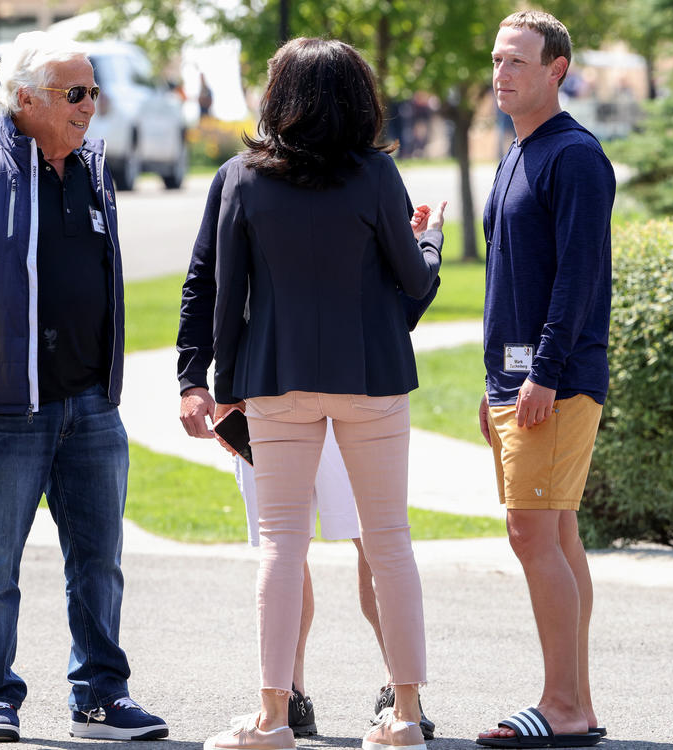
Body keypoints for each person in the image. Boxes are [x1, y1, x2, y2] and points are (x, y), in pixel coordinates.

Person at [0, 30, 167, 744]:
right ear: (25, 98)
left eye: (94, 91)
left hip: (90, 404)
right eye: (76, 93)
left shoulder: (94, 168)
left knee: (98, 565)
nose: (92, 106)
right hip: (5, 405)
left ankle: (99, 697)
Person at [203, 38, 444, 750]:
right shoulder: (376, 176)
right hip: (369, 376)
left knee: (280, 545)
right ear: (359, 98)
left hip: (275, 379)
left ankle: (273, 718)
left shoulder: (244, 177)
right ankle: (404, 716)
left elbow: (226, 296)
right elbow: (413, 280)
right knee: (390, 541)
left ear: (280, 97)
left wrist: (224, 389)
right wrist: (425, 246)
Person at [476, 10, 614, 750]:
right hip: (516, 380)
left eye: (518, 62)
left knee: (530, 531)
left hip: (555, 381)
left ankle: (559, 705)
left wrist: (545, 375)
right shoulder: (515, 154)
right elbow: (511, 285)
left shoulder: (575, 157)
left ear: (556, 70)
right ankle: (578, 705)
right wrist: (493, 382)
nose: (502, 74)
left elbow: (577, 280)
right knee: (555, 532)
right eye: (498, 61)